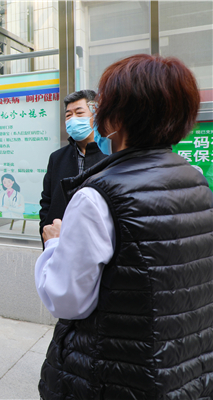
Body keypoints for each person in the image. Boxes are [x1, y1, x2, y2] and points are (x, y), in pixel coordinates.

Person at [35, 55, 213, 399]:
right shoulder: (195, 181)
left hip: (116, 371)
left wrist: (55, 243)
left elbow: (66, 299)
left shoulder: (98, 196)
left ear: (117, 116)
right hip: (185, 365)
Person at [39, 89, 107, 240]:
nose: (73, 119)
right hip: (59, 239)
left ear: (96, 115)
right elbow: (47, 201)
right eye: (68, 115)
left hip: (97, 240)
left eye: (79, 113)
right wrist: (46, 230)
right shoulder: (57, 158)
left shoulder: (110, 154)